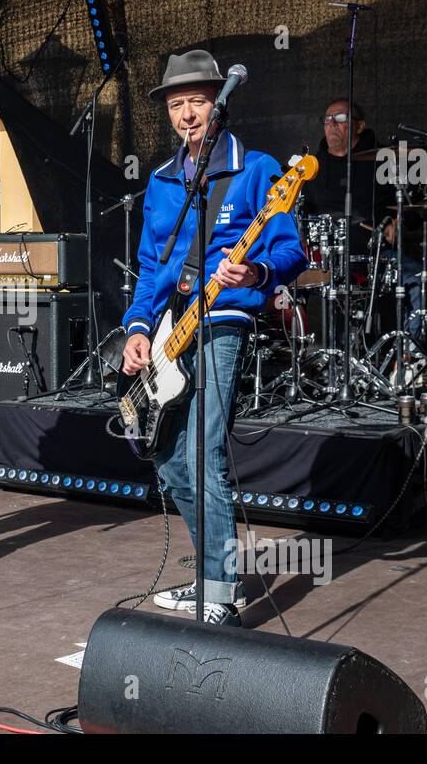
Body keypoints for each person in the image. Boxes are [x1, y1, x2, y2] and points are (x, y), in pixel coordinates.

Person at [120, 51, 306, 626]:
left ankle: (221, 596)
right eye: (177, 105)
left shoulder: (255, 169)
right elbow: (152, 267)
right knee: (172, 462)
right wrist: (137, 327)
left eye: (197, 101)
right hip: (171, 327)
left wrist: (255, 274)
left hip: (224, 321)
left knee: (204, 451)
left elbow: (289, 249)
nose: (187, 114)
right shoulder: (161, 179)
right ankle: (210, 576)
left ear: (217, 106)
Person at [308, 98, 423, 338]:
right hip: (325, 259)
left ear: (360, 126)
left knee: (416, 277)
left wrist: (398, 222)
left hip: (375, 255)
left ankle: (410, 355)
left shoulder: (386, 161)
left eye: (341, 119)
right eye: (327, 120)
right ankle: (296, 355)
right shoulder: (312, 168)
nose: (332, 125)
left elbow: (415, 209)